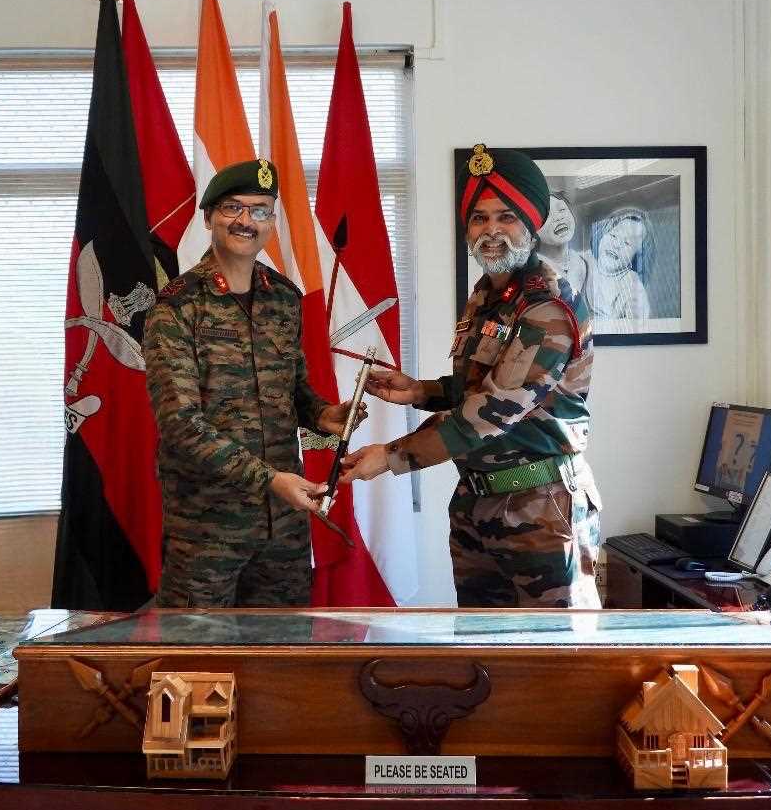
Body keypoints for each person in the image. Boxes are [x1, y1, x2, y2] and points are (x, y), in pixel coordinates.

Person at [339, 145, 602, 608]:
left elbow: (491, 412)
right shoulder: (487, 296)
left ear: (532, 225)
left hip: (540, 509)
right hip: (477, 501)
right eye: (479, 219)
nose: (491, 231)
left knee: (553, 648)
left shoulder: (545, 307)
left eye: (506, 217)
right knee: (481, 642)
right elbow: (478, 387)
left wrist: (391, 455)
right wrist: (421, 391)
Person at [143, 158, 358, 608]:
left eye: (260, 211)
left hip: (283, 526)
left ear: (271, 222)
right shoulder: (178, 306)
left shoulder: (284, 298)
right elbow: (180, 424)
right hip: (208, 527)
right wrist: (269, 479)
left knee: (285, 643)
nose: (246, 221)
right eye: (233, 208)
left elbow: (293, 390)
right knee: (196, 644)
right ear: (209, 218)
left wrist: (323, 414)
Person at [587, 208, 652, 323]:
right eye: (613, 235)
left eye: (627, 243)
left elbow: (637, 324)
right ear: (602, 235)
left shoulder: (634, 288)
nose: (616, 244)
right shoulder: (585, 261)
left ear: (636, 257)